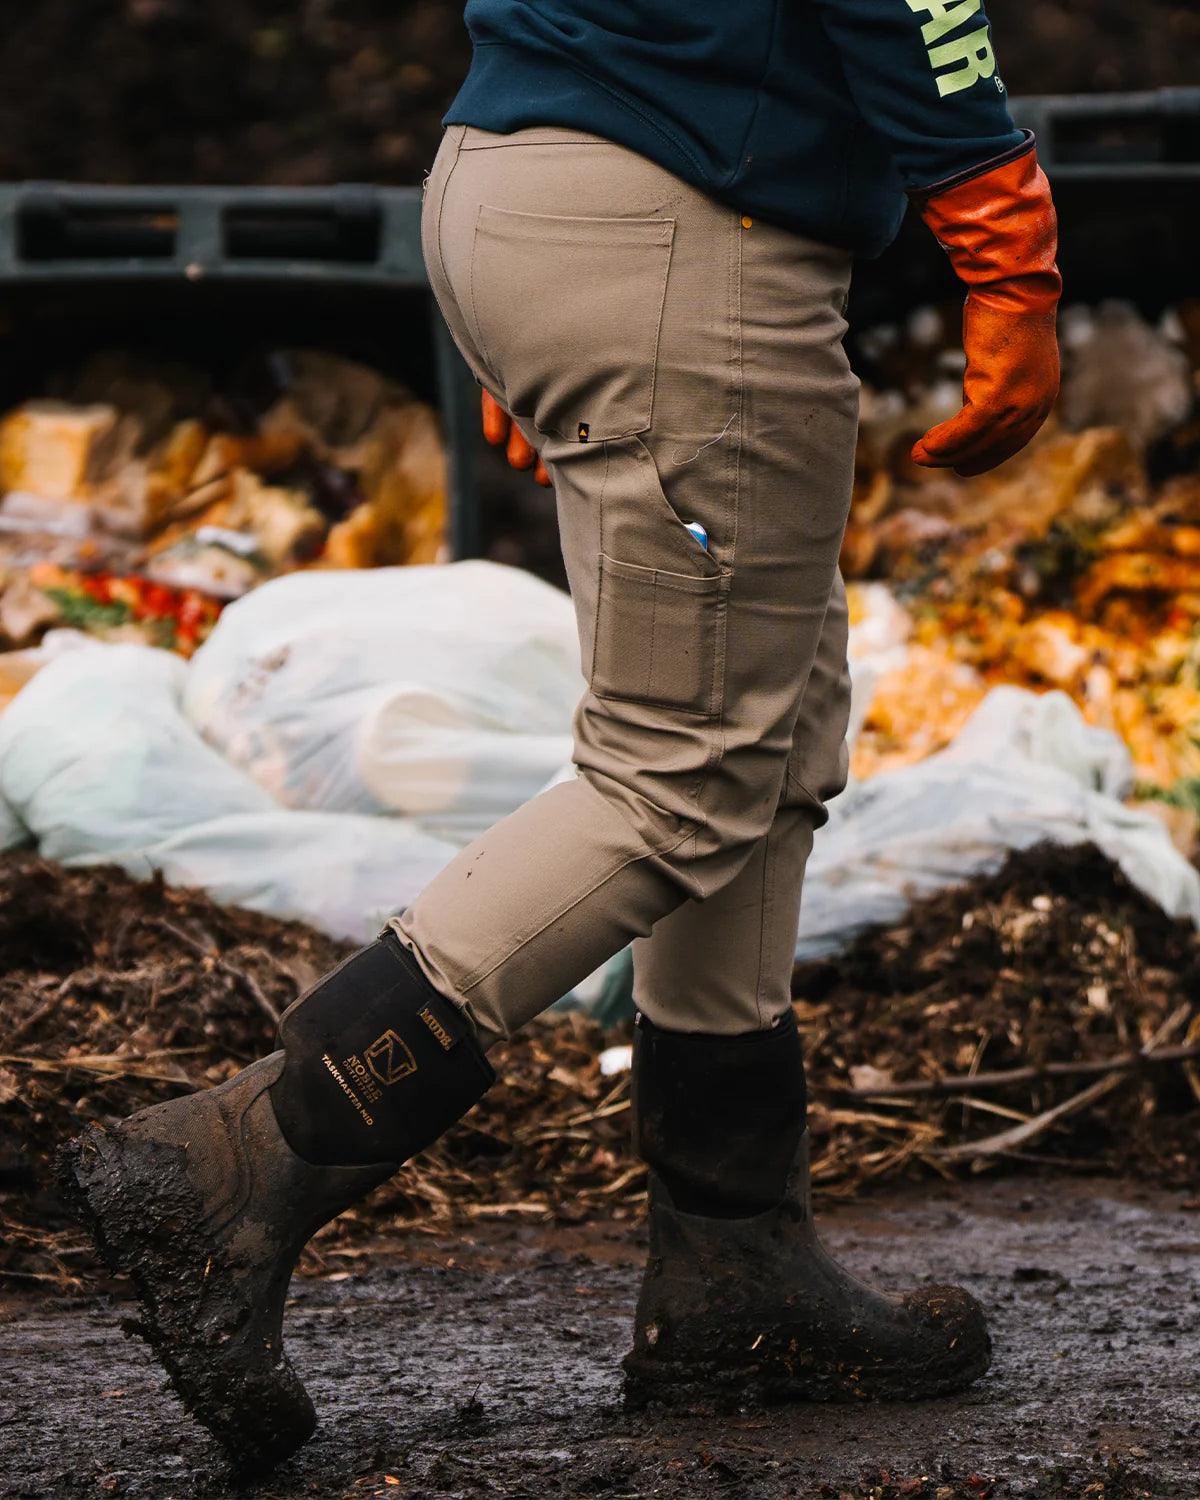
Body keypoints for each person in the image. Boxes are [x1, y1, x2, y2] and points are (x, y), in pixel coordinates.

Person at [63, 0, 1060, 1473]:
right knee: (684, 766)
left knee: (765, 731)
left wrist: (548, 282)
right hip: (681, 216)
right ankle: (242, 1160)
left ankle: (736, 1264)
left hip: (544, 175)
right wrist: (999, 214)